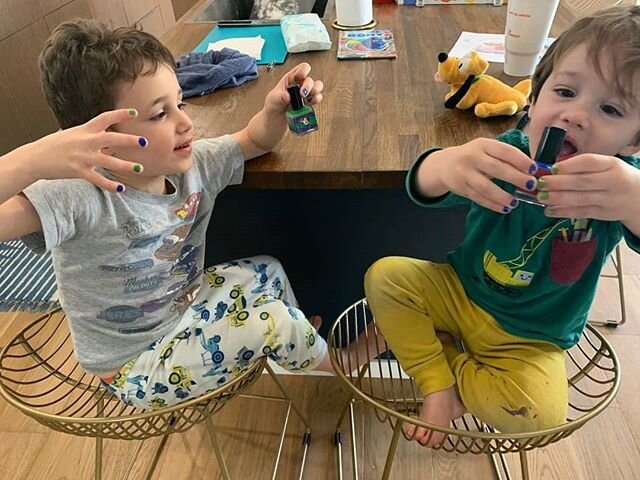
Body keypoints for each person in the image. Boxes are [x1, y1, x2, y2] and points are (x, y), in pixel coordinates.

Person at [0, 19, 383, 409]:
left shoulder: (192, 164)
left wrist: (274, 109)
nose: (186, 122)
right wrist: (31, 159)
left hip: (183, 310)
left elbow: (253, 140)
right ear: (99, 140)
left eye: (179, 102)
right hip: (135, 365)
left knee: (268, 269)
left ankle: (300, 347)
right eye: (159, 114)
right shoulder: (77, 195)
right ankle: (339, 361)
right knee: (272, 321)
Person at [364, 5, 640, 447]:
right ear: (534, 99)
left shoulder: (614, 186)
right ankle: (439, 383)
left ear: (634, 140)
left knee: (536, 417)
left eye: (610, 108)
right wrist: (443, 165)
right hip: (460, 292)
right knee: (386, 276)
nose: (576, 115)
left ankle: (445, 363)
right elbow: (422, 187)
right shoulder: (509, 154)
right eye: (565, 92)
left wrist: (634, 197)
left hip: (534, 336)